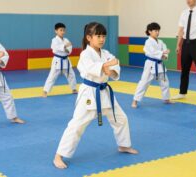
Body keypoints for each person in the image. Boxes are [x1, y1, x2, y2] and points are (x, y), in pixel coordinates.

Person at [53, 22, 138, 169]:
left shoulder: (105, 53)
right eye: (98, 36)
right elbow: (94, 68)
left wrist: (110, 70)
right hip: (89, 94)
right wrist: (105, 66)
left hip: (105, 92)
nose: (101, 39)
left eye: (104, 36)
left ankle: (124, 145)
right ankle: (58, 155)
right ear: (88, 37)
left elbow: (115, 63)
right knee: (77, 125)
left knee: (121, 118)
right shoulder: (85, 54)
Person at [132, 22, 171, 108]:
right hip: (151, 64)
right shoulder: (148, 42)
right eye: (155, 30)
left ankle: (166, 98)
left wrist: (165, 55)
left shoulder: (160, 42)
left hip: (159, 64)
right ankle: (135, 100)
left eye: (158, 31)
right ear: (149, 31)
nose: (157, 32)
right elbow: (151, 52)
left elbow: (165, 49)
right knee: (144, 82)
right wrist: (162, 53)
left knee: (165, 82)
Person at [42, 23, 77, 97]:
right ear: (56, 31)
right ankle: (45, 91)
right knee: (52, 76)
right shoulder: (54, 40)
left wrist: (65, 48)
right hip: (57, 61)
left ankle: (74, 89)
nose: (62, 32)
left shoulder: (66, 40)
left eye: (64, 30)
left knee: (71, 75)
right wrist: (65, 47)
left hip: (66, 60)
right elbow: (56, 48)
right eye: (61, 30)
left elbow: (69, 50)